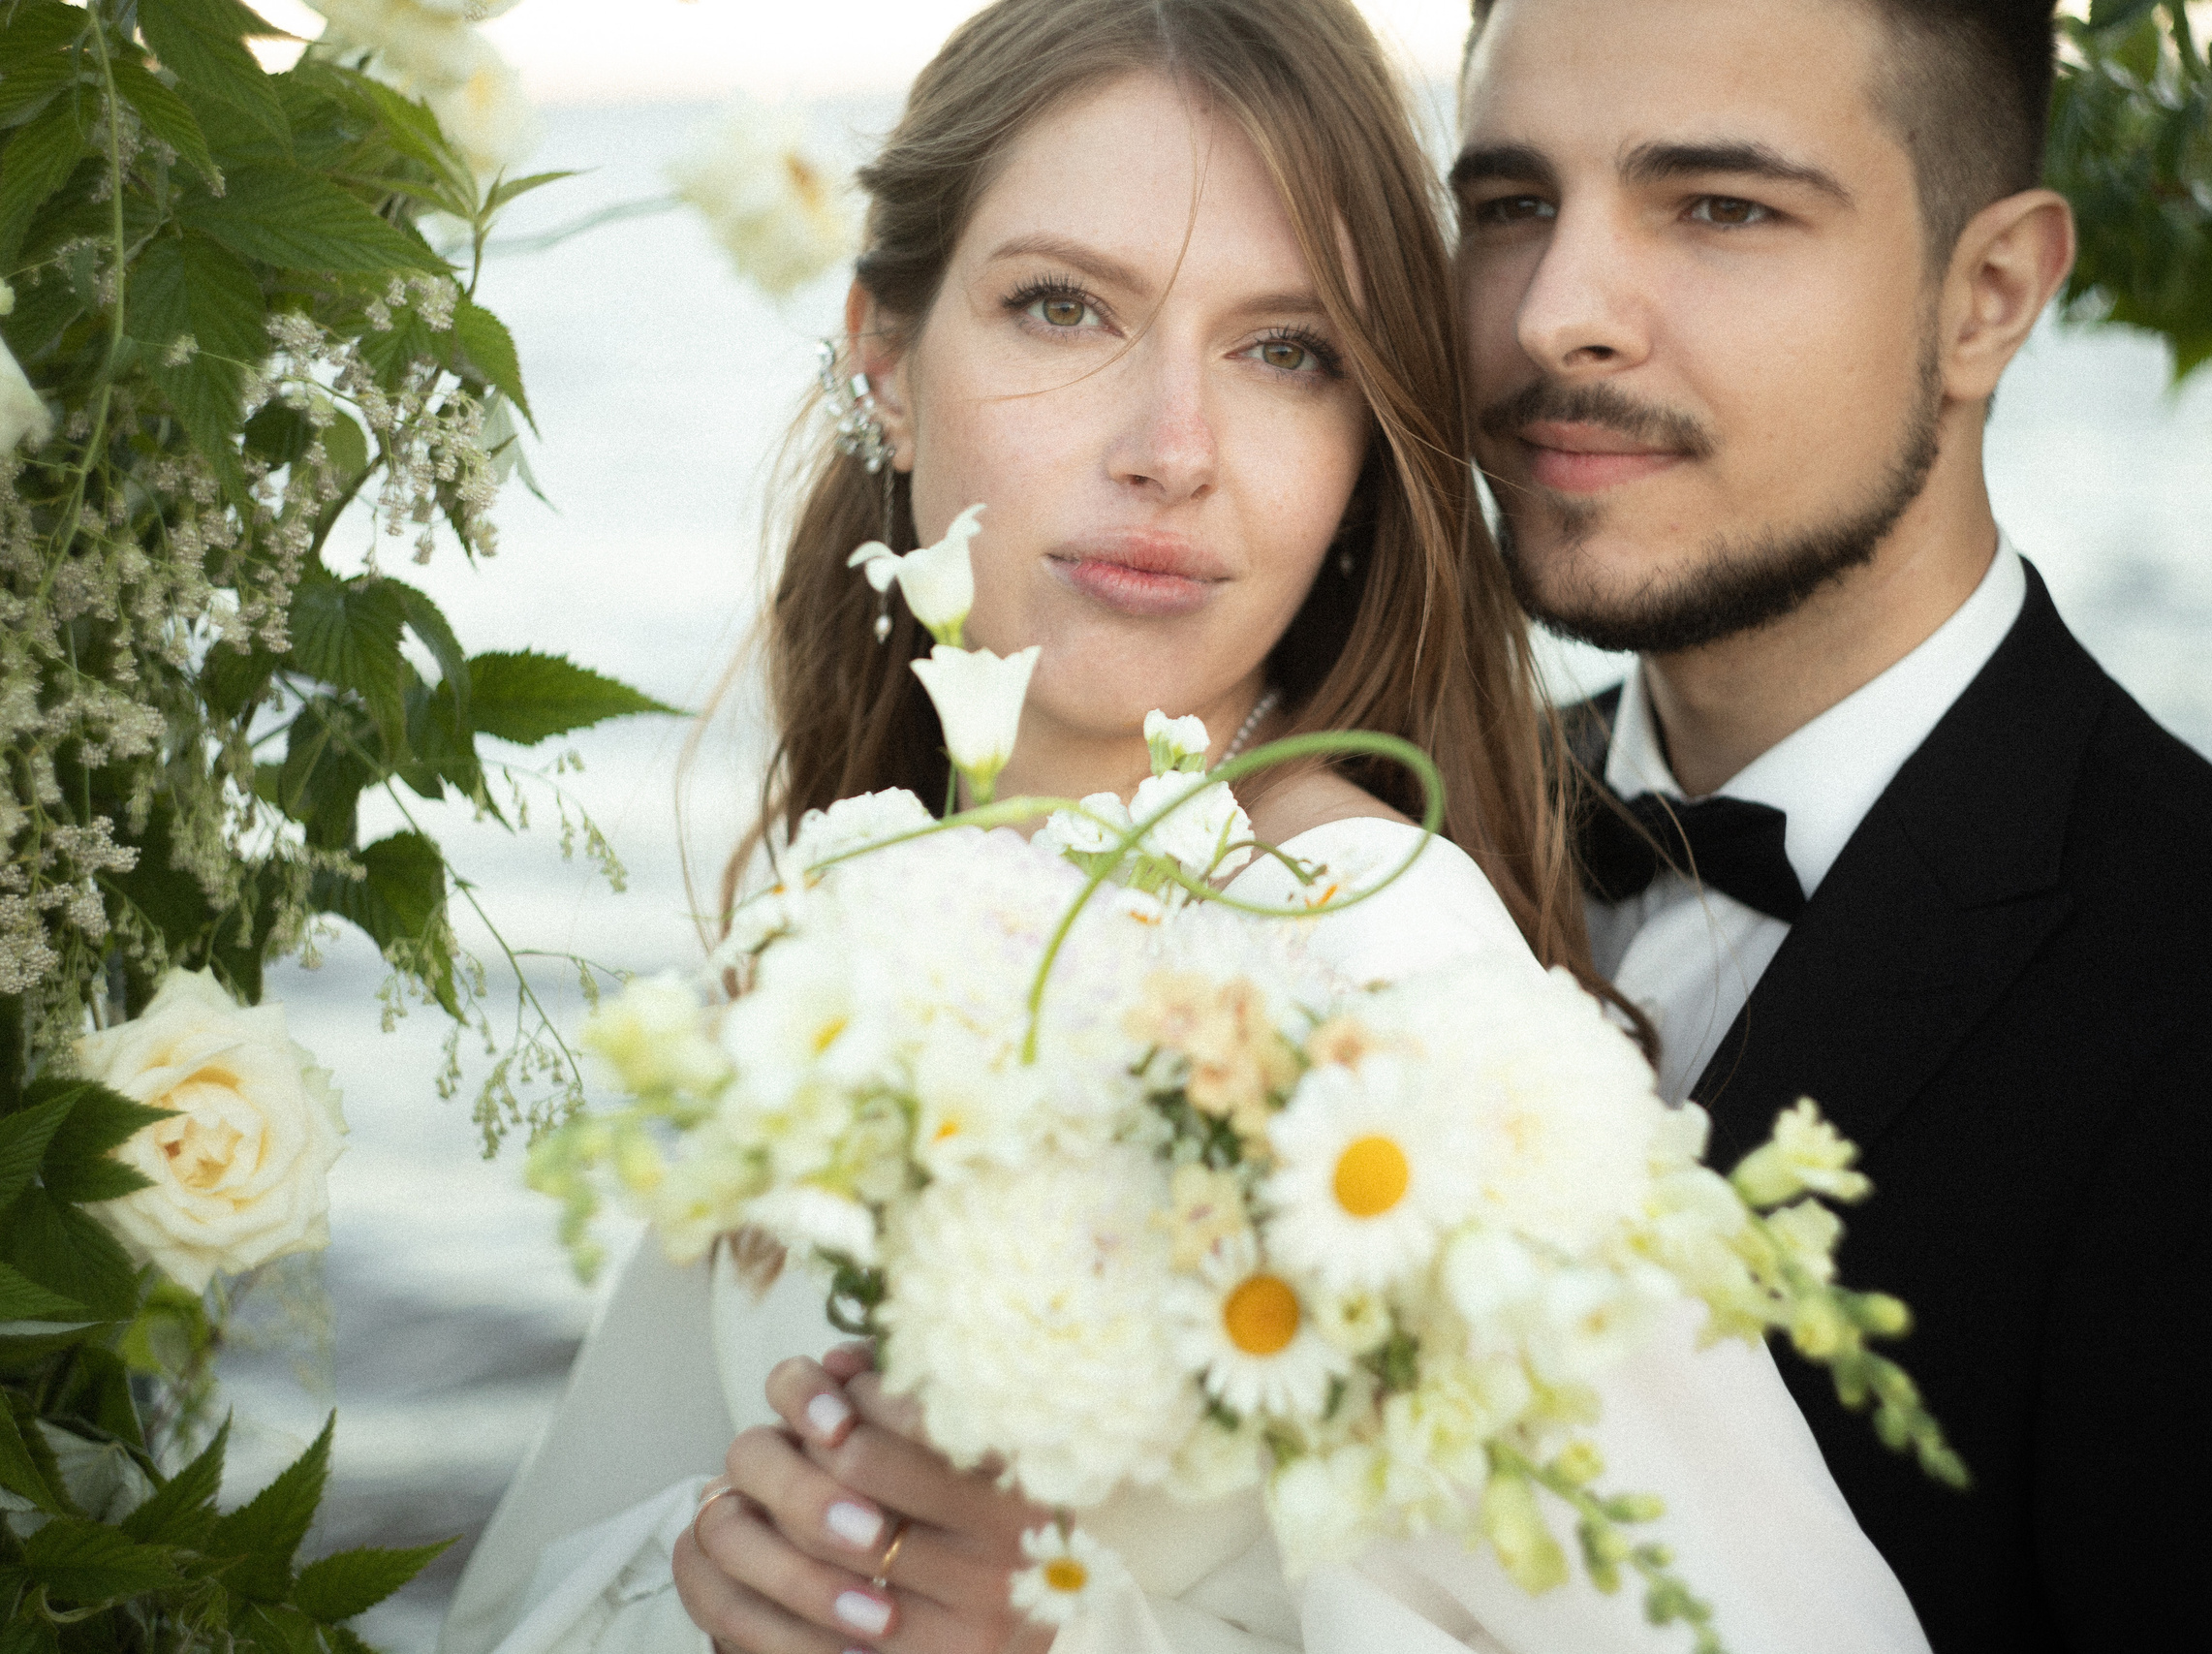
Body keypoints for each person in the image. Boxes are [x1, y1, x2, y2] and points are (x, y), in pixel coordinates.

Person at [438, 3, 1933, 1653]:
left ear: (1366, 447)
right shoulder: (859, 901)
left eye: (1287, 351)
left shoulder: (1378, 968)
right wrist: (721, 1564)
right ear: (888, 362)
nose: (1172, 448)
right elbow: (542, 1579)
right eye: (1062, 307)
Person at [1454, 0, 2212, 1647]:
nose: (1559, 313)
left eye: (1722, 207)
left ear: (1987, 296)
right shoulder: (1387, 857)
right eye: (1509, 206)